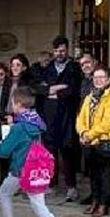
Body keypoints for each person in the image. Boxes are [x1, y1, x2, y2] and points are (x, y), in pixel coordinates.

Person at [0, 85, 71, 217]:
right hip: (35, 169)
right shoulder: (36, 121)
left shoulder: (19, 127)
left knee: (22, 200)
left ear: (18, 104)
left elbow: (5, 150)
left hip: (20, 169)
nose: (11, 106)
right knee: (9, 193)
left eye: (12, 103)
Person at [37, 36, 84, 202]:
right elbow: (39, 88)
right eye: (57, 51)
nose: (59, 53)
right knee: (50, 152)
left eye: (62, 50)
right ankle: (51, 184)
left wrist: (55, 93)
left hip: (67, 117)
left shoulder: (74, 68)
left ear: (67, 50)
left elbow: (74, 89)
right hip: (49, 116)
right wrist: (54, 89)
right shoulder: (47, 68)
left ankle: (71, 187)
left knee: (67, 152)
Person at [77, 64, 110, 217]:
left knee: (104, 174)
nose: (98, 80)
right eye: (96, 77)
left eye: (102, 77)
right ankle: (94, 200)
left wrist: (90, 135)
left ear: (108, 80)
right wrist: (82, 132)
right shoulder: (89, 97)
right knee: (93, 174)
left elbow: (108, 122)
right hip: (89, 142)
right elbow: (80, 118)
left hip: (103, 142)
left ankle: (104, 203)